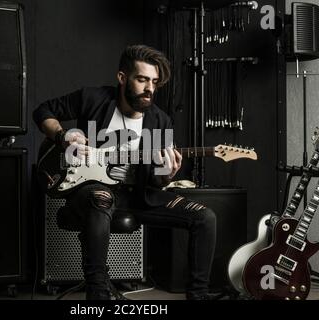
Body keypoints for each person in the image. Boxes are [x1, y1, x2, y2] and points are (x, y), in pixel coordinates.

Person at [33, 45, 217, 300]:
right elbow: (43, 111)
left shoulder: (160, 121)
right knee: (101, 197)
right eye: (142, 79)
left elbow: (158, 178)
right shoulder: (93, 99)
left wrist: (167, 175)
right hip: (88, 190)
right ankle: (98, 295)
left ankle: (199, 296)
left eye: (154, 82)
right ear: (122, 78)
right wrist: (63, 136)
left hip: (138, 196)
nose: (150, 88)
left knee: (205, 217)